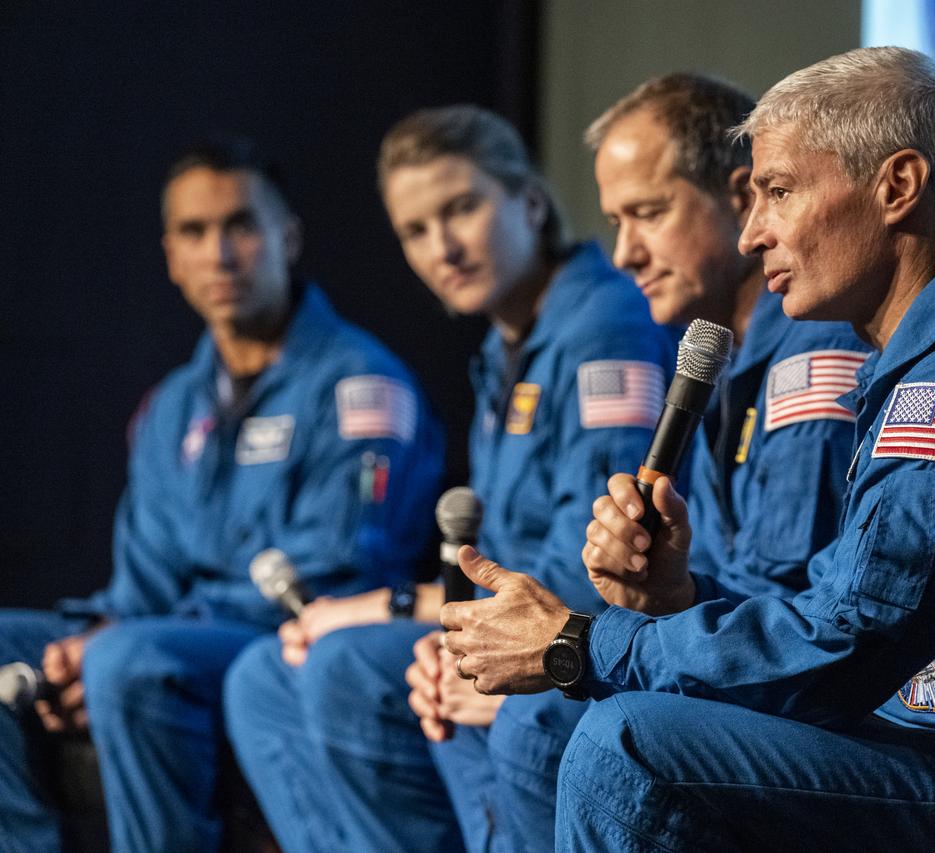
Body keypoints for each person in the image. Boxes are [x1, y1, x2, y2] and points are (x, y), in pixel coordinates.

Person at [437, 47, 935, 851]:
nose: (752, 231)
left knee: (627, 743)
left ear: (897, 187)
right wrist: (681, 594)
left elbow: (851, 641)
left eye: (778, 191)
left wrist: (579, 644)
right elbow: (845, 614)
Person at [400, 73, 871, 850]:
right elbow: (716, 595)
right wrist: (655, 593)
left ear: (742, 197)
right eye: (617, 220)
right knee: (454, 687)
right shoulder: (716, 355)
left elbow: (786, 611)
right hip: (737, 665)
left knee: (538, 716)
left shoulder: (805, 352)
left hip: (839, 711)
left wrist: (570, 651)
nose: (626, 252)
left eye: (648, 213)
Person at [222, 105, 675, 853]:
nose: (443, 247)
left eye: (461, 209)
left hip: (584, 637)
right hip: (509, 617)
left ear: (528, 203)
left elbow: (594, 568)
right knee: (263, 676)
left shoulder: (603, 327)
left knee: (345, 661)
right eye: (415, 230)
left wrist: (393, 603)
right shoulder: (507, 344)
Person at [0, 140, 444, 852]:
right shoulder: (170, 406)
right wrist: (88, 638)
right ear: (171, 255)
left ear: (287, 238)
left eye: (241, 225)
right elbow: (139, 583)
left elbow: (337, 572)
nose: (220, 254)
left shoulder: (363, 386)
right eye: (194, 233)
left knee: (126, 660)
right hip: (160, 630)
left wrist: (117, 643)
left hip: (294, 639)